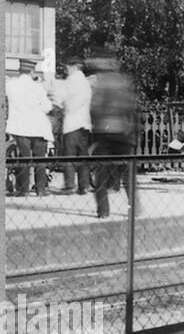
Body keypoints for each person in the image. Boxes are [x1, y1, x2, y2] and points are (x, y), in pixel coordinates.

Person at [87, 51, 138, 219]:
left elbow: (95, 108)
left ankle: (103, 211)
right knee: (127, 174)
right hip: (123, 133)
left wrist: (94, 133)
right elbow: (131, 107)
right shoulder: (124, 81)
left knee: (100, 174)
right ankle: (135, 208)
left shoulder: (100, 84)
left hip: (105, 133)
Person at [5, 60, 54, 197]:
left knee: (24, 158)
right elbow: (47, 107)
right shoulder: (37, 87)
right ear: (32, 71)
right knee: (40, 159)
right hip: (39, 127)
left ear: (19, 70)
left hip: (21, 127)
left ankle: (24, 189)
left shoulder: (11, 85)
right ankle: (40, 190)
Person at [58, 56, 93, 195]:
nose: (65, 68)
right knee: (82, 156)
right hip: (84, 123)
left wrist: (63, 107)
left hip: (71, 123)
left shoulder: (70, 82)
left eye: (67, 66)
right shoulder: (85, 82)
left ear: (74, 66)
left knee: (69, 156)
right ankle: (83, 186)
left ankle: (70, 185)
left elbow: (64, 100)